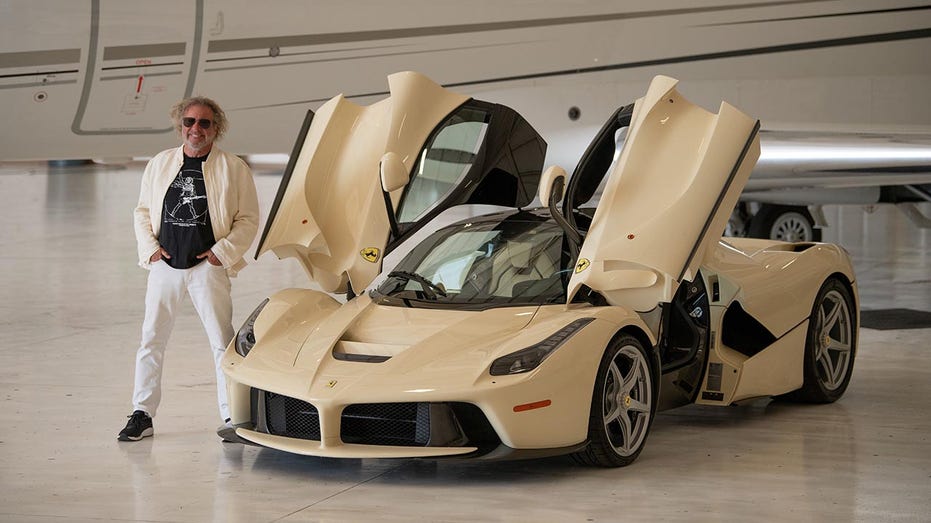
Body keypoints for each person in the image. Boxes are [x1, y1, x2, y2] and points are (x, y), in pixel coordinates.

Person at [118, 96, 259, 442]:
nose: (196, 129)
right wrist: (151, 251)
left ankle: (232, 416)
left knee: (222, 343)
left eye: (204, 123)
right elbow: (142, 211)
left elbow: (248, 219)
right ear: (180, 125)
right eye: (189, 122)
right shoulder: (160, 163)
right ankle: (142, 414)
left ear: (216, 128)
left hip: (207, 269)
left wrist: (220, 253)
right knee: (151, 339)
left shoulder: (233, 168)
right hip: (165, 267)